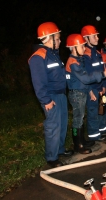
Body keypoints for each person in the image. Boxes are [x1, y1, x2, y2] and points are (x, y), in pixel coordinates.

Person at [28, 22, 73, 168]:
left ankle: (59, 149)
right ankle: (52, 157)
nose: (60, 41)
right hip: (50, 97)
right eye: (58, 39)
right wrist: (46, 100)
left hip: (60, 95)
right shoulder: (38, 57)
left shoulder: (53, 54)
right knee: (53, 127)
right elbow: (38, 82)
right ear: (49, 38)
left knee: (62, 125)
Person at [65, 34, 106, 154]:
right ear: (74, 47)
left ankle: (82, 141)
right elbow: (85, 78)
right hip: (76, 94)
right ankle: (78, 144)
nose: (83, 47)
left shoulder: (78, 60)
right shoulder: (73, 62)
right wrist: (102, 75)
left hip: (82, 92)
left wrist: (90, 92)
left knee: (81, 117)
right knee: (78, 119)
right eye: (81, 46)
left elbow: (84, 81)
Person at [81, 25, 106, 141]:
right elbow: (87, 75)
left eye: (97, 35)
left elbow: (100, 71)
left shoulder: (96, 52)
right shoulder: (85, 54)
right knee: (93, 112)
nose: (97, 38)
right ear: (86, 38)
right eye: (94, 36)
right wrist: (91, 90)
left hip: (99, 87)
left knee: (100, 110)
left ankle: (101, 131)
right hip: (92, 89)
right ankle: (94, 136)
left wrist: (102, 86)